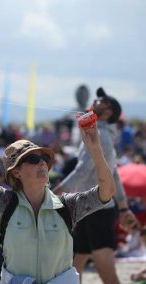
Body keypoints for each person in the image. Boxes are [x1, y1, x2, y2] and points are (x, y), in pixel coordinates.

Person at [0, 93, 116, 284]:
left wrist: (95, 149)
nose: (41, 163)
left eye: (44, 159)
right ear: (16, 173)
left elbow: (107, 192)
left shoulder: (66, 205)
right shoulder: (3, 202)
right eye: (32, 159)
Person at [53, 87, 138, 284]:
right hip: (87, 208)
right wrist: (124, 207)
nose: (95, 100)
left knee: (106, 273)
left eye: (101, 100)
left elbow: (82, 171)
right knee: (72, 269)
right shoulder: (100, 134)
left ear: (107, 112)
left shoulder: (101, 136)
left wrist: (53, 193)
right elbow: (114, 175)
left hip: (99, 210)